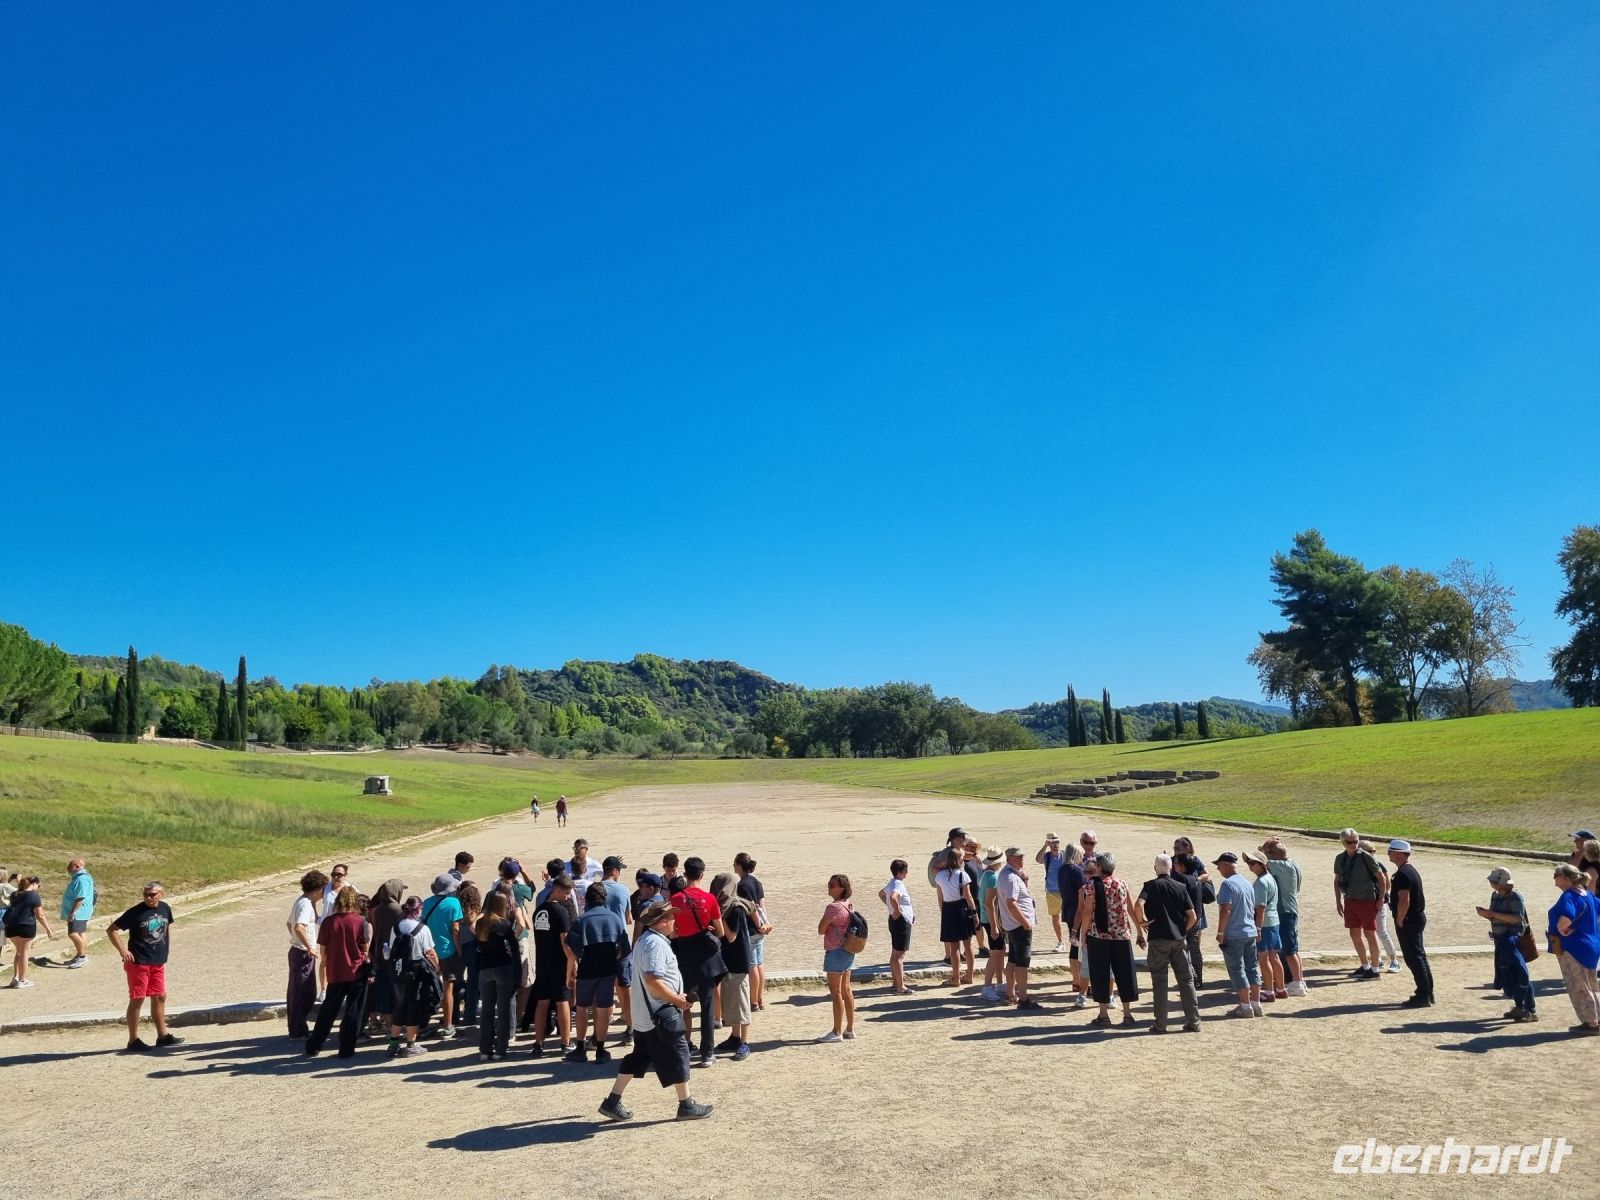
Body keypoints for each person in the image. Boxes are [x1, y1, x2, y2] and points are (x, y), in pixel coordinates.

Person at [598, 901, 713, 1122]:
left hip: (646, 1015)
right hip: (659, 1014)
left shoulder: (645, 941)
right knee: (680, 1053)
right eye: (670, 917)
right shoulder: (655, 944)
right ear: (661, 922)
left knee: (639, 1057)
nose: (674, 921)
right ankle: (686, 1105)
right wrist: (676, 1000)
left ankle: (612, 1101)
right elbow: (653, 979)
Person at [107, 881, 181, 1050]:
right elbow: (111, 930)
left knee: (160, 996)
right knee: (138, 999)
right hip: (139, 962)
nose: (148, 897)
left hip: (157, 960)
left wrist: (166, 946)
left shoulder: (165, 908)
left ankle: (162, 1036)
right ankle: (133, 1040)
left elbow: (167, 925)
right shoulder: (135, 912)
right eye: (146, 894)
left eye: (152, 894)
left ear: (161, 894)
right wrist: (123, 951)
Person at [668, 857, 726, 1067]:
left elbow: (671, 931)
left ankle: (681, 1047)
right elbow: (719, 932)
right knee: (707, 1004)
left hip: (684, 955)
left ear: (685, 873)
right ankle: (707, 1053)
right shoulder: (709, 899)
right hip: (705, 957)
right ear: (702, 874)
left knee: (683, 1003)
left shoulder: (675, 899)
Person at [1135, 854, 1200, 1034]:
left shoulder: (1150, 886)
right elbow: (1193, 916)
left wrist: (1142, 922)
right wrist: (1183, 931)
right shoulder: (1180, 886)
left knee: (1160, 982)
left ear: (1156, 868)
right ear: (1170, 868)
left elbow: (1138, 905)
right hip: (1178, 939)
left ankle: (1160, 1024)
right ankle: (1194, 1021)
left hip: (1158, 939)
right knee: (1186, 981)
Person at [567, 881, 631, 1063]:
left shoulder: (581, 920)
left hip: (587, 969)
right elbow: (625, 948)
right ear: (605, 899)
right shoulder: (615, 919)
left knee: (581, 1008)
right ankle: (601, 1050)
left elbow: (571, 945)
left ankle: (580, 1047)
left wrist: (580, 959)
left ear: (587, 899)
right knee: (603, 1009)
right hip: (607, 969)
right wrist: (614, 957)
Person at [305, 885, 370, 1058]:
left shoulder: (328, 922)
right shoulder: (359, 921)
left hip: (336, 971)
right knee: (353, 1011)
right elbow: (365, 948)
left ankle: (314, 1044)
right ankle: (347, 1048)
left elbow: (323, 951)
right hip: (356, 970)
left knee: (329, 1010)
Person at [1077, 852, 1140, 1027]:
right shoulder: (1122, 884)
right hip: (1121, 934)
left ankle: (1103, 1014)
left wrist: (1083, 933)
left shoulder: (1091, 886)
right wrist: (1139, 930)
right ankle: (1127, 1014)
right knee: (1125, 973)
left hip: (1099, 935)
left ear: (1099, 867)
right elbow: (1131, 908)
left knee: (1100, 974)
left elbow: (1088, 911)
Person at [386, 895, 442, 1056]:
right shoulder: (422, 929)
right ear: (419, 909)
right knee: (413, 1007)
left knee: (399, 1005)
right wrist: (438, 968)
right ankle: (411, 1044)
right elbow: (430, 952)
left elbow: (390, 949)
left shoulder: (396, 927)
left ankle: (393, 1044)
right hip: (417, 971)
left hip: (399, 971)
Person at [1477, 868, 1536, 1022]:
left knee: (1519, 972)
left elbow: (1517, 919)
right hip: (1500, 938)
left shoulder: (1515, 896)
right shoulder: (1495, 896)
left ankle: (1528, 1009)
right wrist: (1488, 915)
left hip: (1513, 940)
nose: (1491, 884)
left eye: (1493, 881)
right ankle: (1520, 1007)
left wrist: (1493, 915)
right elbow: (1496, 916)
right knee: (1510, 973)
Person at [1547, 864, 1600, 1034]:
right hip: (1591, 944)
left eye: (1557, 875)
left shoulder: (1569, 896)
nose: (1554, 877)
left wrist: (1563, 930)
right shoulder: (1588, 896)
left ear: (1567, 879)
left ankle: (1591, 1023)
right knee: (1592, 984)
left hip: (1574, 947)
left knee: (1578, 986)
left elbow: (1565, 919)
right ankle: (1596, 1019)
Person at [530, 874, 578, 1056]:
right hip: (559, 965)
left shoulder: (539, 911)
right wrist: (571, 966)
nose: (567, 897)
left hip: (542, 963)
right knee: (562, 1002)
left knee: (541, 1003)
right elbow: (565, 943)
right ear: (557, 890)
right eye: (566, 893)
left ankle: (538, 1043)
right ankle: (565, 1042)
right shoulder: (561, 912)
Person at [474, 890, 525, 1060]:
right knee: (503, 1011)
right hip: (503, 967)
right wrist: (517, 973)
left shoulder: (481, 923)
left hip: (485, 969)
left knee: (487, 1010)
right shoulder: (504, 924)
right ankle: (500, 1049)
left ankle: (484, 1049)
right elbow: (514, 948)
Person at [1213, 853, 1263, 1018]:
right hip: (1249, 931)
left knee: (1236, 969)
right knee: (1252, 967)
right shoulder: (1247, 883)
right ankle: (1256, 1004)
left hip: (1234, 933)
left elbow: (1226, 909)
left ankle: (1245, 1006)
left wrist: (1220, 932)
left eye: (1219, 866)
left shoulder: (1227, 884)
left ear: (1226, 865)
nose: (1218, 869)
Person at [711, 872, 754, 1060]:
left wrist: (718, 920)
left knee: (742, 1002)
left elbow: (731, 936)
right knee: (731, 1000)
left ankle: (744, 1042)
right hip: (728, 959)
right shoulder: (724, 907)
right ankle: (735, 1037)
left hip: (739, 960)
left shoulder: (734, 908)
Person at [1333, 829, 1386, 980]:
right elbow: (1337, 880)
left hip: (1367, 900)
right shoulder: (1340, 859)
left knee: (1370, 933)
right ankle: (1365, 966)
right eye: (1349, 842)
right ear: (1343, 843)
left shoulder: (1366, 857)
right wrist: (1338, 901)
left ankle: (1375, 969)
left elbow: (1381, 877)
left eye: (1355, 841)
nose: (1353, 845)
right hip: (1350, 900)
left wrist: (1381, 898)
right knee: (1354, 933)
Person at [1386, 839, 1433, 1008]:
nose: (1389, 854)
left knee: (1414, 957)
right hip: (1415, 918)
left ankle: (1423, 994)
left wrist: (1399, 918)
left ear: (1399, 854)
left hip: (1408, 919)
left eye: (1391, 851)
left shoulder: (1403, 874)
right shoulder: (1409, 871)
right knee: (1419, 956)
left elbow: (1404, 900)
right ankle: (1427, 992)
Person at [1259, 837, 1305, 995]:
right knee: (1293, 947)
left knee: (1289, 949)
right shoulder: (1293, 864)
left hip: (1284, 911)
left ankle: (1298, 983)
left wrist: (1265, 845)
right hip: (1290, 908)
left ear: (1275, 855)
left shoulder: (1281, 866)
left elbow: (1259, 858)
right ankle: (1299, 980)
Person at [421, 873, 464, 1039]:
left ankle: (422, 1023)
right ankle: (448, 1025)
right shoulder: (454, 903)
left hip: (430, 951)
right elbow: (455, 930)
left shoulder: (426, 903)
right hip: (448, 951)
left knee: (428, 987)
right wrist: (459, 950)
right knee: (448, 989)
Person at [285, 870, 327, 1038]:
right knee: (302, 993)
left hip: (298, 950)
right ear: (317, 889)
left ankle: (298, 1027)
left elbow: (289, 924)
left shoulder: (302, 902)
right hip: (302, 953)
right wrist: (309, 946)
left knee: (302, 991)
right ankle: (298, 1029)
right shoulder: (305, 904)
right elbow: (298, 927)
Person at [997, 847, 1040, 1009]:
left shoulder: (1008, 875)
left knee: (1013, 960)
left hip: (1012, 924)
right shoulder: (1010, 878)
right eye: (1018, 857)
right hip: (1018, 925)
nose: (1022, 859)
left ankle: (1011, 993)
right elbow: (1011, 902)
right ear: (1010, 859)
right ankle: (1023, 998)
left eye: (1022, 856)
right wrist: (1025, 922)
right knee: (1022, 962)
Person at [816, 874, 857, 1042]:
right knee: (847, 990)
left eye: (832, 885)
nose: (829, 886)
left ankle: (836, 1031)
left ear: (841, 888)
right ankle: (850, 1029)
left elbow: (820, 929)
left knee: (836, 992)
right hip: (848, 949)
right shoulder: (849, 904)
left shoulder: (832, 908)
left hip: (835, 950)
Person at [1243, 852, 1284, 1003]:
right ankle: (1280, 988)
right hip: (1274, 921)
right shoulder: (1270, 878)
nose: (1250, 865)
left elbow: (1260, 908)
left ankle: (1268, 991)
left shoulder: (1260, 882)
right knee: (1274, 956)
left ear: (1262, 864)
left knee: (1263, 958)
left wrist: (1257, 928)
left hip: (1264, 924)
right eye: (1249, 862)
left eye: (1253, 862)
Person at [367, 879, 406, 1035]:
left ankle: (389, 1025)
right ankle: (398, 1025)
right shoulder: (400, 911)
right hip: (397, 958)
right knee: (399, 994)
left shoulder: (376, 911)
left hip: (380, 957)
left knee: (385, 994)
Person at [734, 852, 772, 1011]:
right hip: (761, 926)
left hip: (751, 928)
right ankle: (760, 998)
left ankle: (754, 1001)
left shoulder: (742, 885)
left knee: (752, 965)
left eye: (735, 863)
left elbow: (751, 908)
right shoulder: (756, 882)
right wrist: (766, 922)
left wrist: (758, 925)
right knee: (759, 964)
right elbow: (761, 905)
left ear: (740, 866)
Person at [932, 848, 975, 988]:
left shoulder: (940, 876)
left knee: (954, 947)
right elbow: (968, 897)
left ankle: (955, 978)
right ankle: (969, 975)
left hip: (948, 909)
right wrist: (974, 913)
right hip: (961, 908)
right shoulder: (962, 875)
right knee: (968, 944)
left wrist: (944, 913)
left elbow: (940, 898)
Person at [4, 877, 54, 988]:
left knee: (19, 952)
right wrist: (48, 928)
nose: (38, 888)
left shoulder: (14, 894)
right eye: (38, 886)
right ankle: (22, 980)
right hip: (26, 925)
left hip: (11, 927)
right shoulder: (34, 896)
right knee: (24, 953)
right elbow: (40, 915)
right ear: (34, 884)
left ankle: (15, 978)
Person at [1362, 839, 1401, 973]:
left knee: (1381, 931)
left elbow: (1387, 883)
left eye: (1372, 851)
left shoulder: (1378, 864)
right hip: (1365, 903)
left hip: (1379, 903)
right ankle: (1377, 958)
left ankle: (1394, 960)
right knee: (1369, 932)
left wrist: (1381, 897)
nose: (1371, 854)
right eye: (1368, 851)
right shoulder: (1359, 866)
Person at [1171, 853, 1208, 989]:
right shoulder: (1196, 879)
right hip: (1197, 918)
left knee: (1183, 951)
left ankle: (1190, 978)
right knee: (1195, 950)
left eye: (1175, 863)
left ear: (1182, 866)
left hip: (1185, 920)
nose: (1173, 865)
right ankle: (1198, 979)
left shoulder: (1181, 879)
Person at [878, 859, 914, 995]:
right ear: (900, 872)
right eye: (905, 871)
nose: (907, 873)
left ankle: (896, 983)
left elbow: (881, 894)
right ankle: (901, 986)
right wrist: (897, 910)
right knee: (900, 955)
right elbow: (893, 897)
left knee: (895, 953)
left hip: (894, 920)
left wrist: (890, 908)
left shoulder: (892, 882)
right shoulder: (898, 884)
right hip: (901, 921)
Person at [315, 863, 352, 1000]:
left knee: (343, 959)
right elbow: (311, 899)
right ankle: (324, 989)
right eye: (334, 874)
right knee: (325, 958)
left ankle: (342, 989)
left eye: (340, 875)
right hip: (327, 928)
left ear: (345, 876)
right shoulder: (325, 889)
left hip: (343, 930)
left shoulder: (350, 889)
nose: (336, 877)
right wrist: (316, 917)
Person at [1058, 844, 1089, 1007]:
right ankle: (1082, 981)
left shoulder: (1061, 869)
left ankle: (1075, 979)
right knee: (1081, 946)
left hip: (1068, 909)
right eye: (1081, 856)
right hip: (1078, 911)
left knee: (1074, 945)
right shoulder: (1076, 870)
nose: (1083, 859)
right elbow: (1085, 890)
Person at [977, 847, 1008, 1001]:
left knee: (1000, 951)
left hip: (988, 918)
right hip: (991, 919)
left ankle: (1000, 983)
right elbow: (990, 904)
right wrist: (995, 925)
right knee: (995, 953)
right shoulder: (993, 878)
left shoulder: (985, 875)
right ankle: (987, 986)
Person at [455, 882, 482, 1028]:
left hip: (458, 946)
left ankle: (452, 1015)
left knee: (455, 982)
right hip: (472, 946)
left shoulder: (456, 907)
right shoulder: (476, 911)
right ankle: (469, 1016)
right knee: (473, 983)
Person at [59, 857, 94, 969]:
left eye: (71, 866)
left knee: (72, 933)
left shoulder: (81, 879)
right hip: (82, 911)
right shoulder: (81, 878)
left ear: (78, 866)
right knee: (80, 933)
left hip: (79, 912)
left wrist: (72, 912)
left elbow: (80, 897)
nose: (68, 869)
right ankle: (80, 955)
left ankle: (82, 956)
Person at [1035, 833, 1066, 952]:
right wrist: (1044, 846)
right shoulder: (1047, 856)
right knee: (1055, 917)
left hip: (1065, 891)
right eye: (1053, 843)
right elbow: (1038, 859)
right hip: (1052, 891)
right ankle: (1060, 942)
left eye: (1057, 842)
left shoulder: (1064, 855)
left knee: (1072, 917)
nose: (1055, 845)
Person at [568, 839, 604, 910]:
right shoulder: (568, 864)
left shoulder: (594, 864)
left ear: (586, 849)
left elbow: (606, 876)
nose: (577, 850)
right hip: (571, 899)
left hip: (587, 898)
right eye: (575, 848)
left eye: (580, 848)